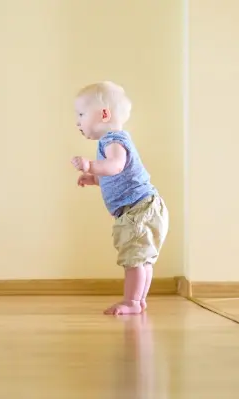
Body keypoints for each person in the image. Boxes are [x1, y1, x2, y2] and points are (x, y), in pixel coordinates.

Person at [70, 81, 169, 315]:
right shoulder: (115, 140)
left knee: (134, 258)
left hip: (139, 208)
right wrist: (95, 179)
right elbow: (118, 175)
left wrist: (90, 165)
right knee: (142, 258)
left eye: (82, 114)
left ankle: (132, 302)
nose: (77, 121)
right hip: (145, 206)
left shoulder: (113, 140)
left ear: (104, 114)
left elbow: (116, 166)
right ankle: (139, 300)